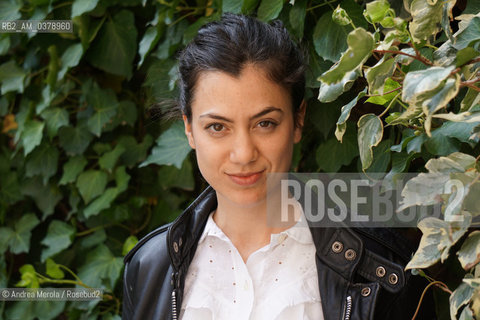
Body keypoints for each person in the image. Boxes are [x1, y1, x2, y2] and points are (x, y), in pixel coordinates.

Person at [122, 13, 434, 320]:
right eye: (218, 127)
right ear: (189, 129)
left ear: (298, 119)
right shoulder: (150, 267)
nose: (244, 154)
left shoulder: (383, 266)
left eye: (265, 123)